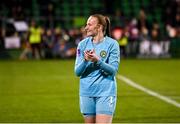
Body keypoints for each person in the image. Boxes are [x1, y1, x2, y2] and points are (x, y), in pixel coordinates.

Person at [74, 14, 120, 123]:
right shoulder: (82, 45)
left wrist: (98, 61)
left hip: (106, 92)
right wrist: (85, 60)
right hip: (86, 92)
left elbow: (113, 71)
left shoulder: (112, 44)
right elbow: (77, 72)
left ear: (99, 27)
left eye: (89, 25)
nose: (86, 28)